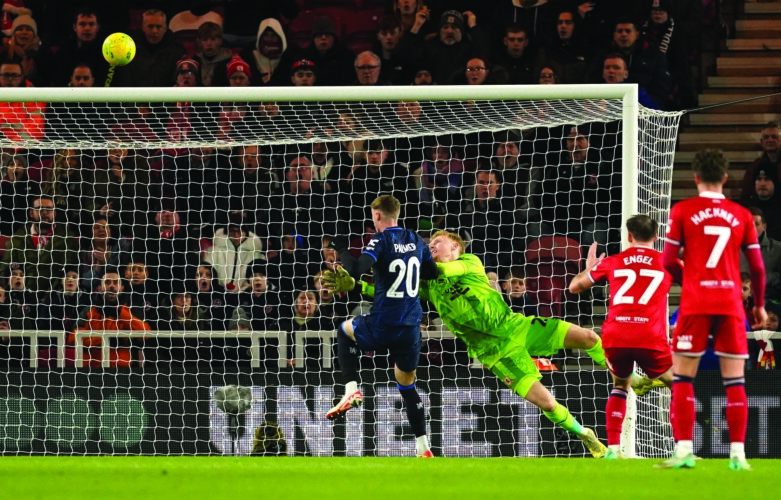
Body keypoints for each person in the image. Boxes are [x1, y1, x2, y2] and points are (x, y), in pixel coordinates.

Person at [325, 230, 609, 458]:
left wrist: (413, 260)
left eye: (437, 242)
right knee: (547, 402)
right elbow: (390, 292)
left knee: (590, 337)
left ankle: (627, 379)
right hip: (495, 352)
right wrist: (356, 287)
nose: (432, 246)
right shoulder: (427, 283)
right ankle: (585, 435)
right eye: (429, 244)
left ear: (456, 248)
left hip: (517, 326)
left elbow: (443, 272)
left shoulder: (469, 263)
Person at [660, 149, 766, 470]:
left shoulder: (682, 210)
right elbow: (758, 268)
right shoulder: (742, 214)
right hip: (731, 303)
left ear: (695, 178)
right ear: (725, 178)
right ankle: (738, 455)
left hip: (696, 302)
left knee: (682, 378)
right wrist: (758, 305)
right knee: (734, 381)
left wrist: (690, 279)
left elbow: (666, 261)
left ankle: (683, 451)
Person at [324, 195, 439, 458]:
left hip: (384, 321)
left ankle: (351, 389)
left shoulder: (381, 239)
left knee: (344, 330)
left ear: (377, 215)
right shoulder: (415, 238)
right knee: (407, 386)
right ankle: (423, 448)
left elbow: (355, 270)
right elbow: (431, 273)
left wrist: (341, 248)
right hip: (411, 327)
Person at [569, 215, 674, 459]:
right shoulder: (666, 262)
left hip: (616, 335)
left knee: (620, 385)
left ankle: (614, 450)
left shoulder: (615, 261)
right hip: (649, 335)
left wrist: (589, 268)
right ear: (656, 237)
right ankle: (682, 448)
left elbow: (574, 287)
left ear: (628, 236)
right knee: (678, 385)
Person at [71, 269, 151, 368]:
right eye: (107, 282)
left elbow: (145, 334)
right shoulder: (89, 311)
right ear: (100, 288)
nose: (111, 286)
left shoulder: (132, 310)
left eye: (116, 283)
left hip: (123, 370)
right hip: (92, 369)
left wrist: (120, 314)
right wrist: (105, 340)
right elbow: (73, 337)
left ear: (121, 288)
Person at [0, 194, 78, 294]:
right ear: (31, 213)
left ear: (54, 213)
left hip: (55, 298)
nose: (44, 213)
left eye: (48, 209)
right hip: (23, 296)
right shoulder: (17, 239)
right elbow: (4, 270)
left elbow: (69, 271)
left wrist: (49, 296)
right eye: (39, 209)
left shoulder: (67, 239)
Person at [115, 9, 187, 87]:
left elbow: (176, 82)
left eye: (159, 27)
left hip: (166, 97)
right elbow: (124, 80)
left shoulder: (176, 50)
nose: (154, 31)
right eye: (150, 26)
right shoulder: (129, 49)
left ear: (165, 28)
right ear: (143, 27)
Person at [47, 8, 109, 87]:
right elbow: (58, 82)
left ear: (97, 27)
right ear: (75, 27)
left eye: (91, 24)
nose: (87, 28)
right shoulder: (63, 53)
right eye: (82, 24)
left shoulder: (107, 53)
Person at [205, 214, 265, 293]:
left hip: (245, 298)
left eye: (240, 231)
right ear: (227, 232)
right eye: (232, 231)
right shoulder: (213, 252)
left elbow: (259, 280)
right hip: (216, 294)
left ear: (245, 233)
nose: (236, 235)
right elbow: (206, 274)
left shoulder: (256, 255)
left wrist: (242, 293)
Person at [740, 122, 780, 200]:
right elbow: (746, 195)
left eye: (774, 137)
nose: (770, 140)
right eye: (766, 137)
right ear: (762, 142)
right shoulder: (755, 166)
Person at [192, 22, 232, 87]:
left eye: (213, 39)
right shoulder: (195, 60)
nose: (209, 44)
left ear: (220, 41)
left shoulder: (229, 61)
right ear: (199, 42)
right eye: (205, 40)